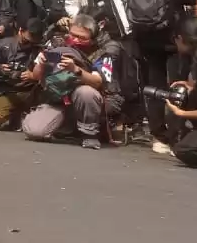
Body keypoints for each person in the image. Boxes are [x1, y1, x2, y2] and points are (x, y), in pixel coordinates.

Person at [132, 0, 197, 154]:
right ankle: (175, 134)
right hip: (173, 36)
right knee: (177, 85)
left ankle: (157, 135)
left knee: (154, 87)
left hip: (145, 36)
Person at [23, 14, 123, 150]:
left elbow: (98, 82)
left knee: (86, 93)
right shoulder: (56, 43)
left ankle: (90, 133)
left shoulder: (103, 52)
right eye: (73, 35)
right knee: (34, 131)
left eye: (82, 38)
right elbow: (35, 76)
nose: (75, 40)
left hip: (86, 98)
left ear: (92, 37)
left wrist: (75, 69)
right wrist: (41, 64)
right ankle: (66, 128)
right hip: (57, 97)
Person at [0, 19, 46, 130]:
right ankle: (12, 117)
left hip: (30, 92)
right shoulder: (2, 45)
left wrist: (34, 76)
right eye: (26, 41)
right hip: (5, 91)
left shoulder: (42, 49)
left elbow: (52, 75)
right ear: (20, 31)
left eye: (32, 42)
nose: (28, 44)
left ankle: (22, 117)